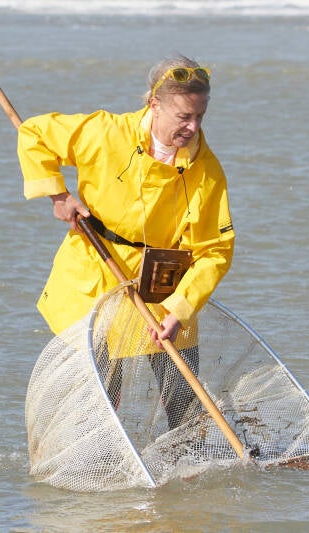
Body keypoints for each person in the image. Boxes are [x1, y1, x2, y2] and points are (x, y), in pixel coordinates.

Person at [17, 55, 234, 428]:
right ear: (154, 104)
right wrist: (58, 195)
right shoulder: (105, 132)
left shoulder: (206, 169)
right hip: (96, 266)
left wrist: (179, 311)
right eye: (184, 116)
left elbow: (214, 250)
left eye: (200, 116)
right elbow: (33, 133)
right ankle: (98, 456)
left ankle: (188, 457)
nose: (193, 127)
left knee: (183, 397)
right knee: (99, 390)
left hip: (164, 281)